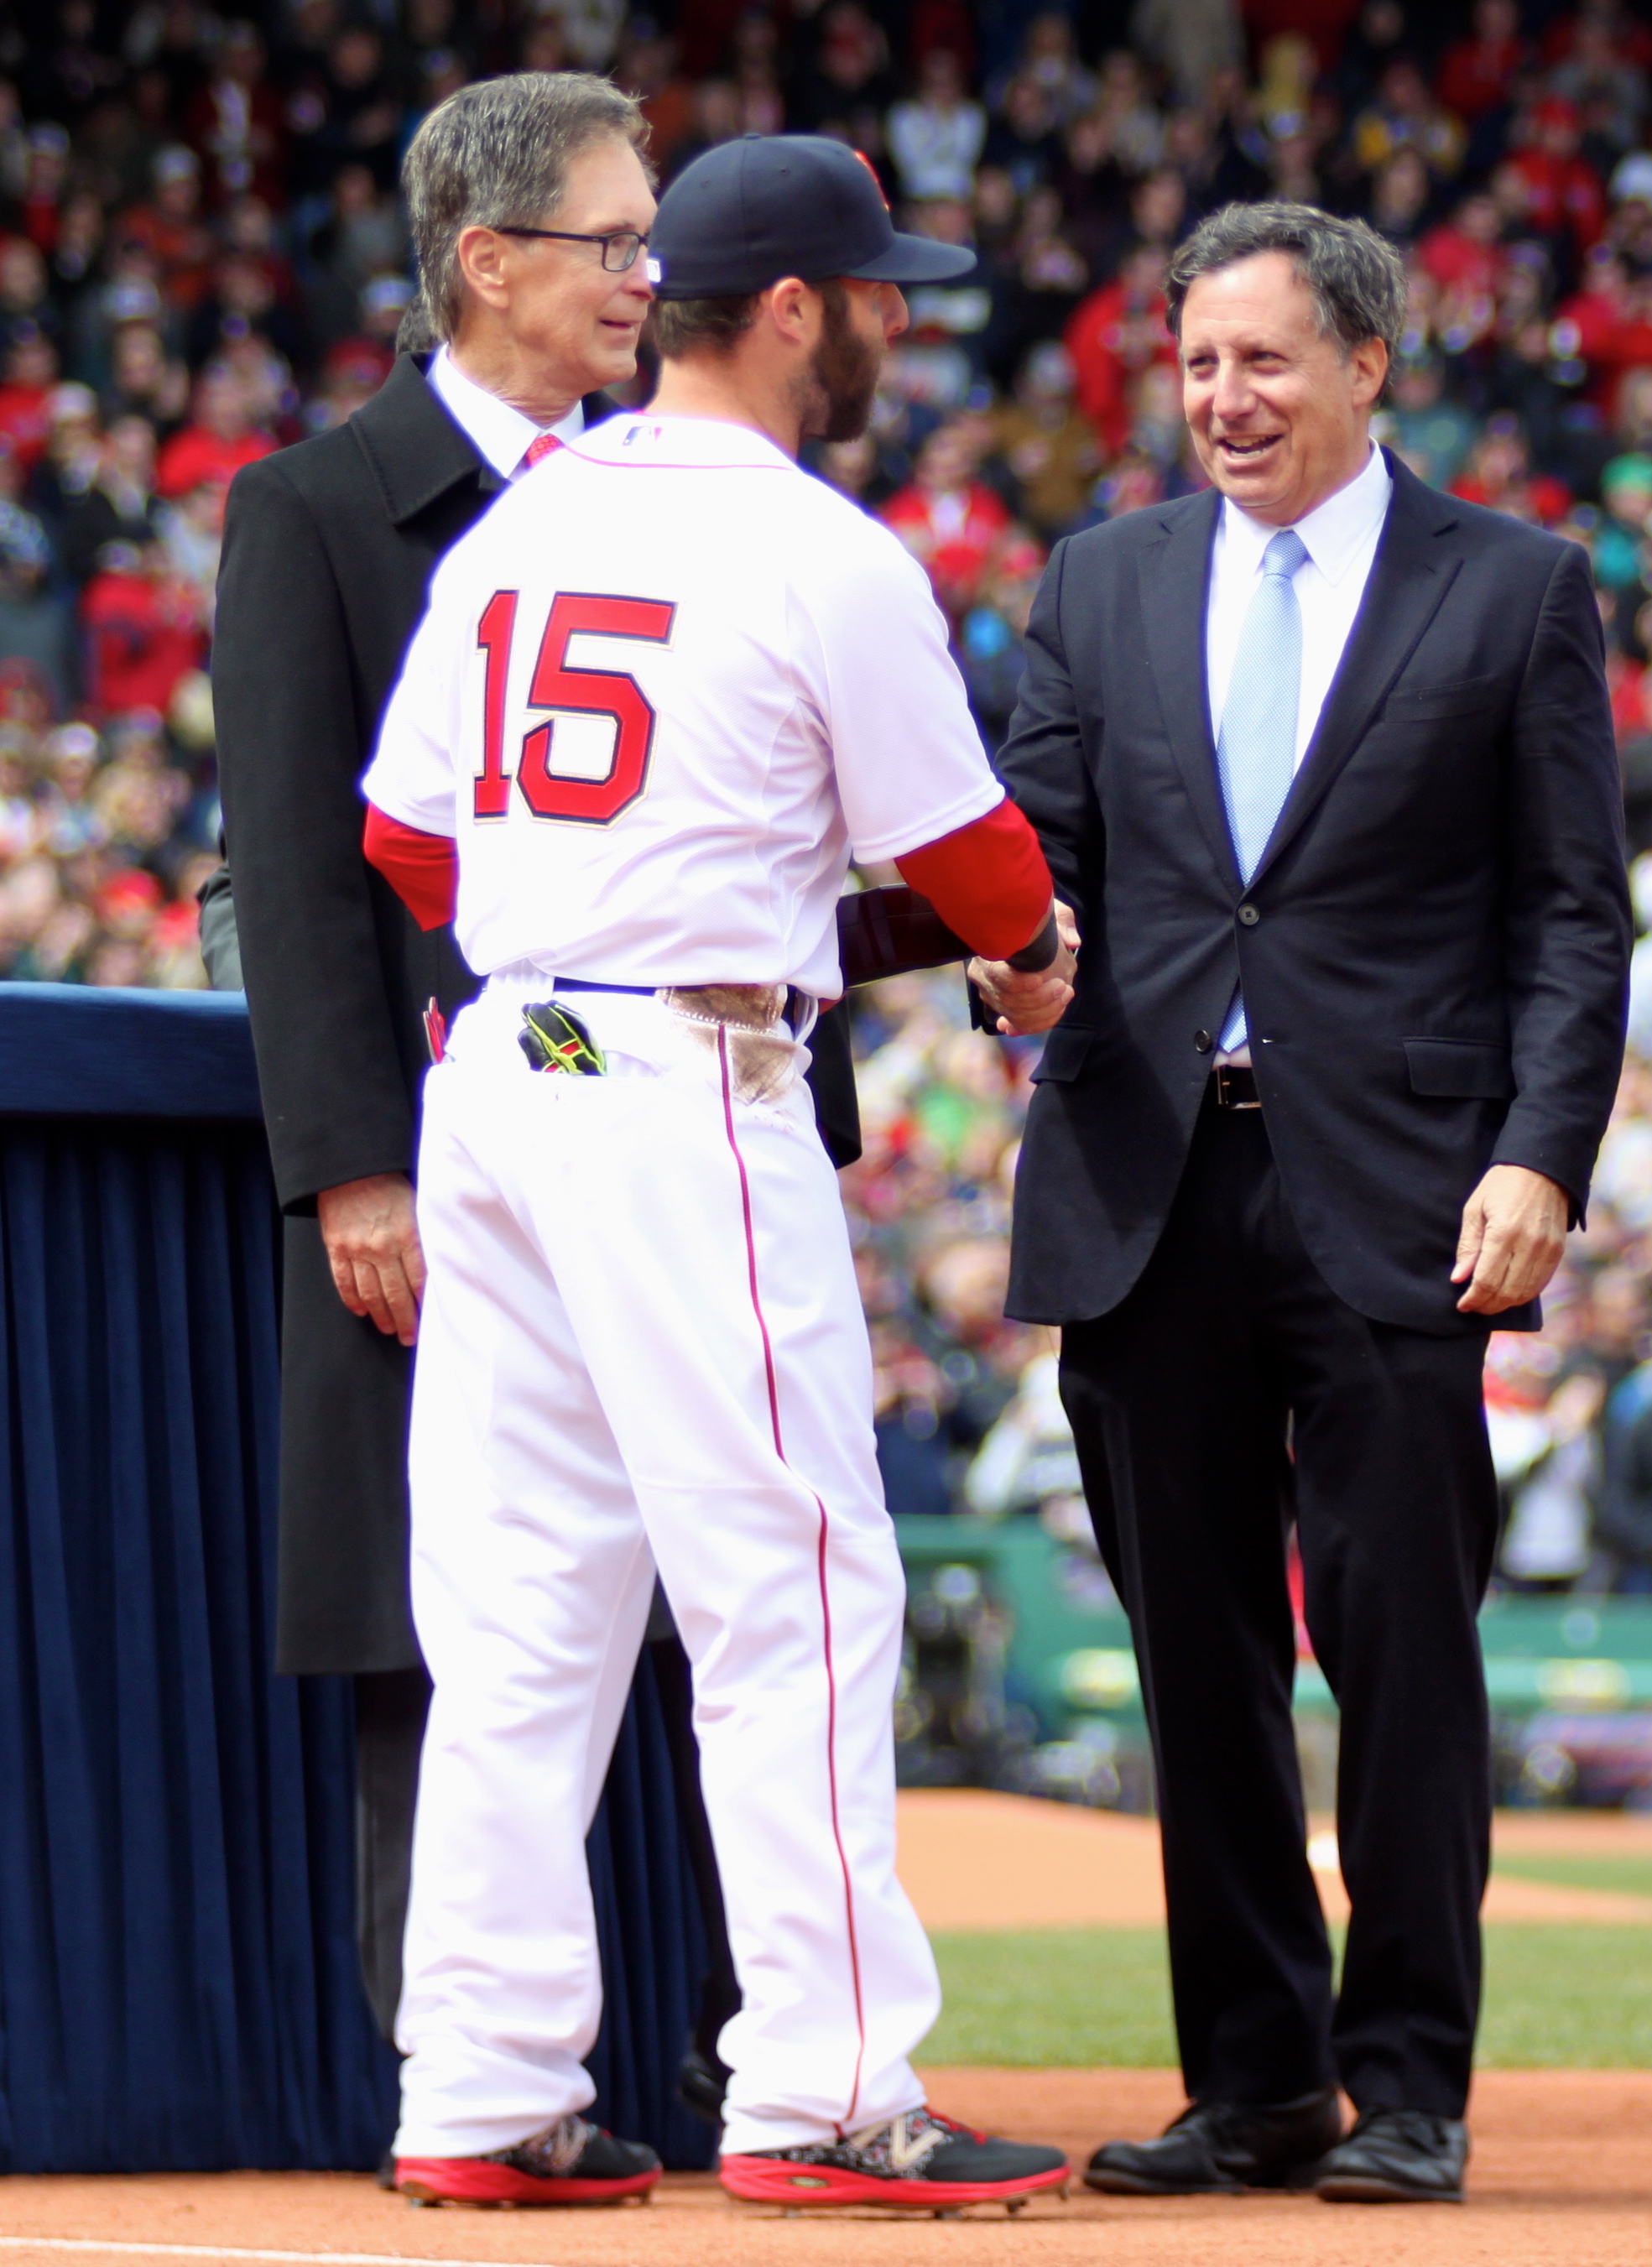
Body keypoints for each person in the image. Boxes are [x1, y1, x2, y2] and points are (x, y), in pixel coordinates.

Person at [357, 133, 1074, 2213]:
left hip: (509, 1068)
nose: (896, 323)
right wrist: (1028, 946)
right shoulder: (813, 545)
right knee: (801, 1586)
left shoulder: (525, 515)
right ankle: (828, 2090)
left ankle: (480, 2084)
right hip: (681, 1077)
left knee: (517, 1612)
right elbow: (976, 859)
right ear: (785, 309)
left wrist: (593, 901)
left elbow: (404, 839)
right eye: (876, 291)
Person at [993, 201, 1629, 2209]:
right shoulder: (1098, 581)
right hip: (1147, 1178)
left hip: (1408, 1190)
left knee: (1402, 1648)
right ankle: (1257, 2080)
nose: (1224, 397)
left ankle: (1410, 2078)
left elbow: (1573, 913)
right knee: (1198, 1663)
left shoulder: (1515, 585)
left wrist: (1541, 1153)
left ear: (1369, 362)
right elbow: (1036, 856)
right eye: (1196, 362)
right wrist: (1016, 957)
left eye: (1263, 359)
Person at [210, 69, 700, 2061]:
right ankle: (462, 2075)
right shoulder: (316, 509)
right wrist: (355, 1166)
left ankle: (709, 2049)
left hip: (671, 1145)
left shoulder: (682, 491)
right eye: (616, 240)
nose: (650, 275)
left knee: (702, 1613)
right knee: (446, 1625)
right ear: (486, 261)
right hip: (442, 1161)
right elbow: (293, 874)